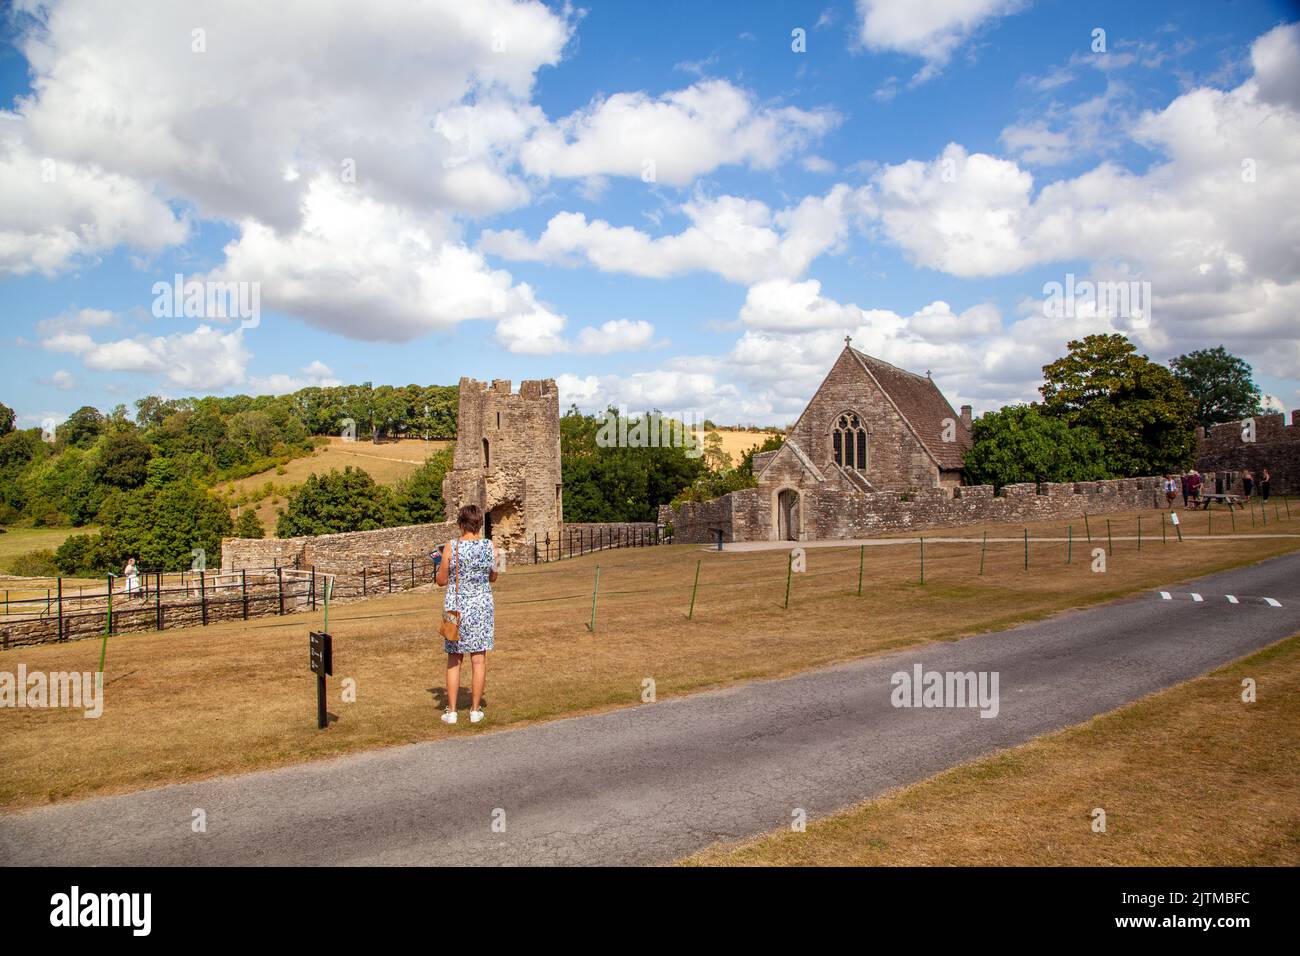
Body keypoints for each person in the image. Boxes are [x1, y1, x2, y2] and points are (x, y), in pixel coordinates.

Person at [434, 504, 498, 725]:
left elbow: (441, 580)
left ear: (461, 524)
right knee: (478, 660)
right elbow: (494, 577)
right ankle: (474, 710)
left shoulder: (452, 547)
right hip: (481, 606)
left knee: (454, 659)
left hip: (456, 606)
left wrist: (440, 563)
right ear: (479, 523)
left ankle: (451, 712)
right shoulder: (491, 546)